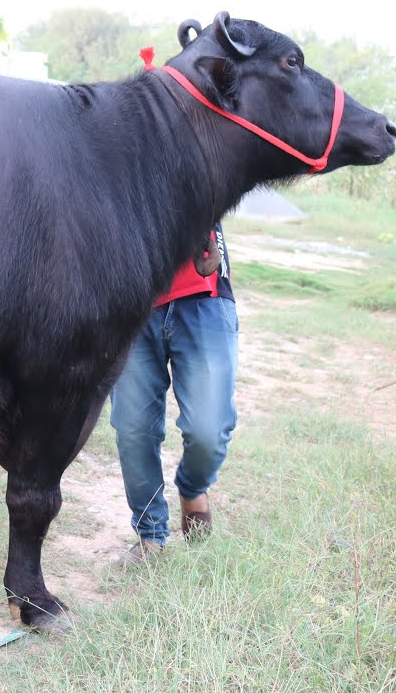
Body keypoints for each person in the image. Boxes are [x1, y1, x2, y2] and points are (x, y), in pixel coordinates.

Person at [109, 226, 237, 564]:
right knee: (133, 428)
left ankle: (193, 488)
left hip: (203, 294)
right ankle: (150, 534)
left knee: (209, 430)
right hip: (130, 299)